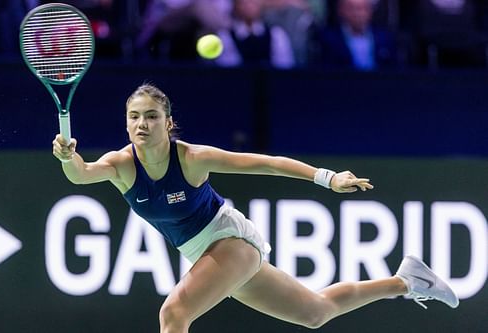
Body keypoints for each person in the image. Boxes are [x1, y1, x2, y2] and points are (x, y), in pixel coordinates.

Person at [52, 83, 459, 333]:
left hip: (230, 242)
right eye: (134, 117)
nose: (142, 124)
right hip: (205, 253)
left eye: (152, 116)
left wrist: (327, 177)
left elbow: (267, 164)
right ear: (126, 123)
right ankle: (409, 282)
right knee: (315, 313)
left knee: (174, 313)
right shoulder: (122, 165)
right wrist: (69, 157)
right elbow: (82, 173)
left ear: (168, 122)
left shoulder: (192, 158)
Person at [314, 0, 398, 71]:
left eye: (362, 8)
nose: (357, 13)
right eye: (351, 8)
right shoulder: (328, 38)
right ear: (340, 10)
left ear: (371, 11)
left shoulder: (385, 37)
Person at [216, 0, 295, 68]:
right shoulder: (225, 36)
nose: (249, 6)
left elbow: (284, 66)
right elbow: (228, 70)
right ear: (235, 6)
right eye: (243, 2)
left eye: (253, 1)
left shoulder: (276, 34)